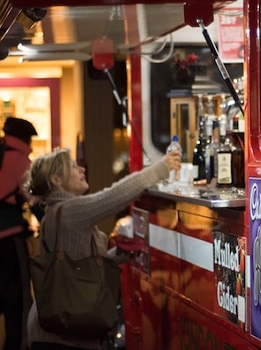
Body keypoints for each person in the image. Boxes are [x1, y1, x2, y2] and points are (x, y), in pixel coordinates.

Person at [25, 146, 181, 349]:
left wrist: (118, 254)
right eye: (72, 166)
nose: (81, 169)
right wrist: (162, 168)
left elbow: (80, 265)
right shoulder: (70, 211)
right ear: (56, 180)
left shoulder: (56, 213)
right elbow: (115, 196)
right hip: (65, 334)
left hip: (52, 326)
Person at [0, 117, 38, 350]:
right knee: (19, 301)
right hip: (9, 239)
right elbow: (34, 199)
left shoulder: (1, 153)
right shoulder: (20, 160)